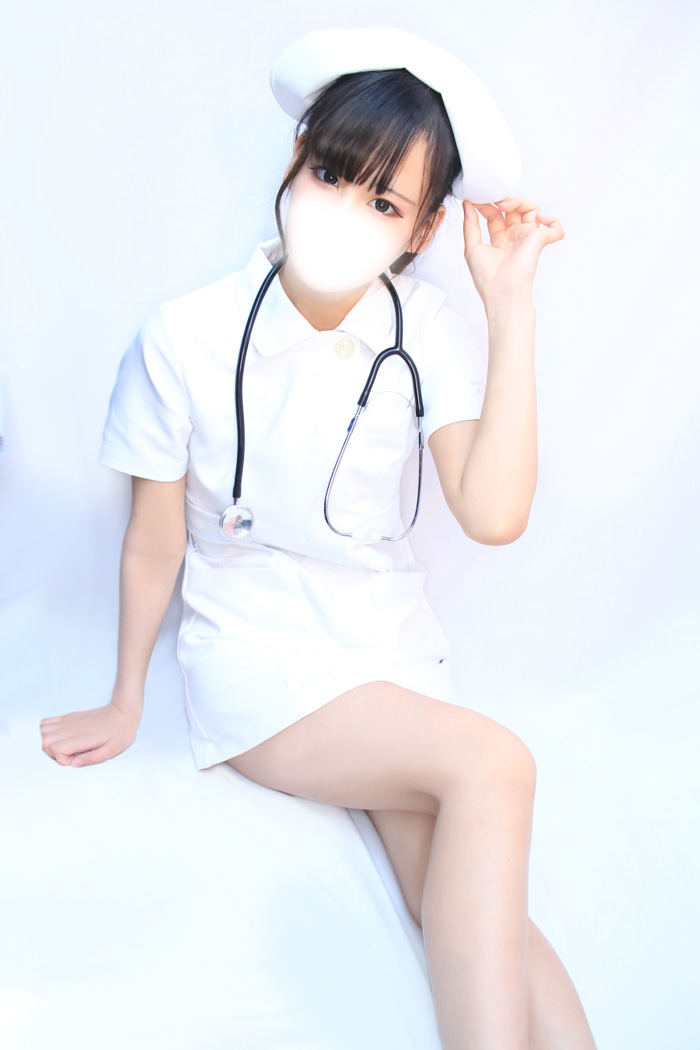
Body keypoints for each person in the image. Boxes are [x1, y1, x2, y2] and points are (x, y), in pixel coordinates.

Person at [39, 26, 595, 1050]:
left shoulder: (424, 327)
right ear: (296, 159)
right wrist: (125, 698)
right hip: (259, 655)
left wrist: (509, 307)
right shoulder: (184, 336)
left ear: (423, 229)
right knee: (496, 766)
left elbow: (493, 514)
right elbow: (154, 541)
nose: (343, 212)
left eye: (384, 202)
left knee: (471, 908)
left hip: (390, 653)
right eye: (333, 174)